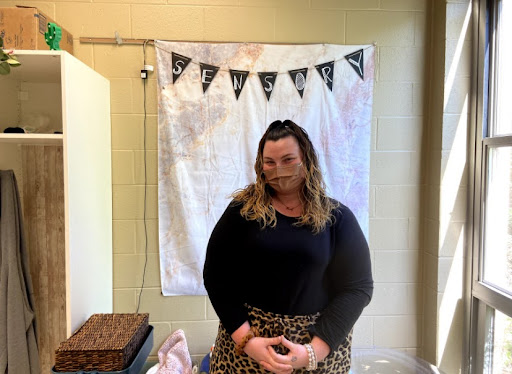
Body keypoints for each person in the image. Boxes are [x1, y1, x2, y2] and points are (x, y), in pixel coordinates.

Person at [203, 119, 373, 374]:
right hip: (248, 349)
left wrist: (313, 352)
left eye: (288, 160)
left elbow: (357, 288)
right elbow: (216, 277)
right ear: (261, 166)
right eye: (270, 162)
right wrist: (247, 342)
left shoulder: (337, 218)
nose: (278, 170)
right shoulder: (242, 212)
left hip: (315, 352)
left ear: (307, 160)